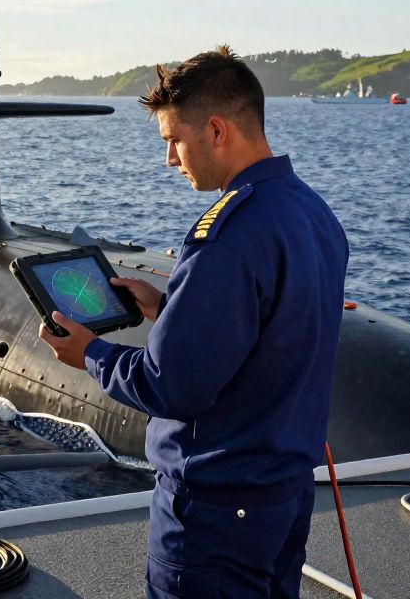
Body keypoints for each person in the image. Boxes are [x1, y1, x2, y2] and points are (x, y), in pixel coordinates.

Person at [39, 46, 348, 599]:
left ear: (215, 130)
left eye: (173, 141)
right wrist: (169, 306)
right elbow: (275, 322)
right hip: (281, 496)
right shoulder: (310, 211)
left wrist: (89, 353)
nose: (170, 160)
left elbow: (170, 386)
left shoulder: (227, 237)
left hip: (214, 513)